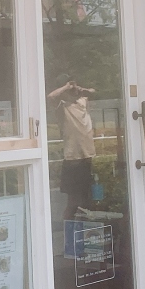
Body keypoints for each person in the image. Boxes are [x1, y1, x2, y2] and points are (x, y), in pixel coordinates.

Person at [48, 74, 97, 219]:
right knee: (73, 202)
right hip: (72, 159)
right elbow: (50, 97)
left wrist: (81, 89)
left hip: (87, 156)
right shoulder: (62, 106)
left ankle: (83, 228)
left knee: (87, 200)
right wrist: (66, 87)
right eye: (70, 87)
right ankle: (68, 227)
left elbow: (94, 92)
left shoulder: (83, 101)